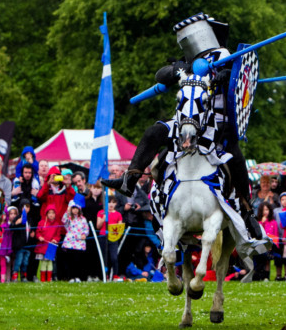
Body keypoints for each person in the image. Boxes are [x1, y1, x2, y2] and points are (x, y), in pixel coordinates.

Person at [101, 13, 265, 243]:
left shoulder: (227, 57)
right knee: (153, 132)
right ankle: (130, 179)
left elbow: (238, 79)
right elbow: (161, 75)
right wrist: (178, 71)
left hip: (216, 123)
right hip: (185, 121)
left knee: (235, 157)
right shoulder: (188, 61)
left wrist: (220, 74)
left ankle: (247, 212)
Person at [62, 196, 89, 282]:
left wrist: (84, 234)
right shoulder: (69, 218)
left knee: (78, 261)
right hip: (70, 242)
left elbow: (86, 229)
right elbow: (63, 220)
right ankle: (71, 277)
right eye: (73, 208)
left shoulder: (83, 219)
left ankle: (77, 277)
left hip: (79, 243)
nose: (75, 210)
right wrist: (68, 210)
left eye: (76, 208)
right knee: (70, 261)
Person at [34, 205, 64, 282]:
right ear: (46, 214)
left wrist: (55, 240)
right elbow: (38, 232)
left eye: (53, 213)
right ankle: (43, 279)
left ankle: (49, 278)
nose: (51, 214)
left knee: (50, 263)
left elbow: (58, 235)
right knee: (43, 262)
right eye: (49, 213)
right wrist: (39, 237)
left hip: (51, 247)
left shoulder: (57, 224)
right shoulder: (41, 223)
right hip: (42, 246)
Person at [98, 196, 124, 281]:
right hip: (103, 236)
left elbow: (120, 227)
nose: (111, 204)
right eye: (109, 202)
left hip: (113, 237)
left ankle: (115, 275)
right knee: (104, 257)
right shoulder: (101, 213)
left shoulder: (118, 214)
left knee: (114, 257)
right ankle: (105, 275)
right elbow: (98, 226)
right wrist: (104, 219)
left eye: (113, 202)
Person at [0, 206, 19, 283]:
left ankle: (3, 279)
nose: (3, 216)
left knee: (3, 264)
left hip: (4, 248)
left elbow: (9, 238)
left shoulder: (7, 226)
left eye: (5, 214)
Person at [256, 202, 278, 281]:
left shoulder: (273, 222)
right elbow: (258, 233)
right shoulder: (258, 222)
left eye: (267, 209)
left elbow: (275, 235)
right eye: (263, 210)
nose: (265, 212)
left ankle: (266, 277)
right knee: (261, 259)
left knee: (268, 260)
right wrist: (263, 222)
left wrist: (272, 246)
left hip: (271, 246)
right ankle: (259, 275)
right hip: (260, 245)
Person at [9, 203, 30, 282]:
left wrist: (32, 232)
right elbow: (11, 227)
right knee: (18, 261)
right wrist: (17, 223)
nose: (25, 209)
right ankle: (14, 276)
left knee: (25, 262)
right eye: (24, 207)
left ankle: (23, 276)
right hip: (19, 245)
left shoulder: (29, 218)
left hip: (27, 245)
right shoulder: (18, 218)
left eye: (27, 207)